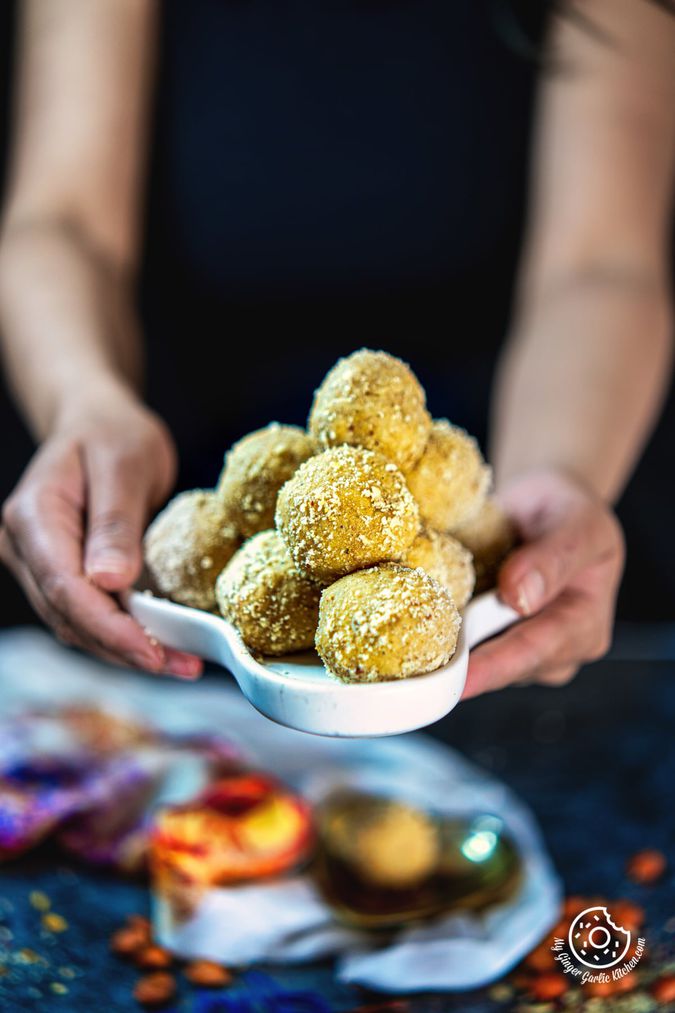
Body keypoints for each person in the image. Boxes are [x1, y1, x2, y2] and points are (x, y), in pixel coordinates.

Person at [0, 0, 672, 694]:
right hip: (167, 527)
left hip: (492, 533)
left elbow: (598, 265)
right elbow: (63, 222)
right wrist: (85, 399)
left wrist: (560, 474)